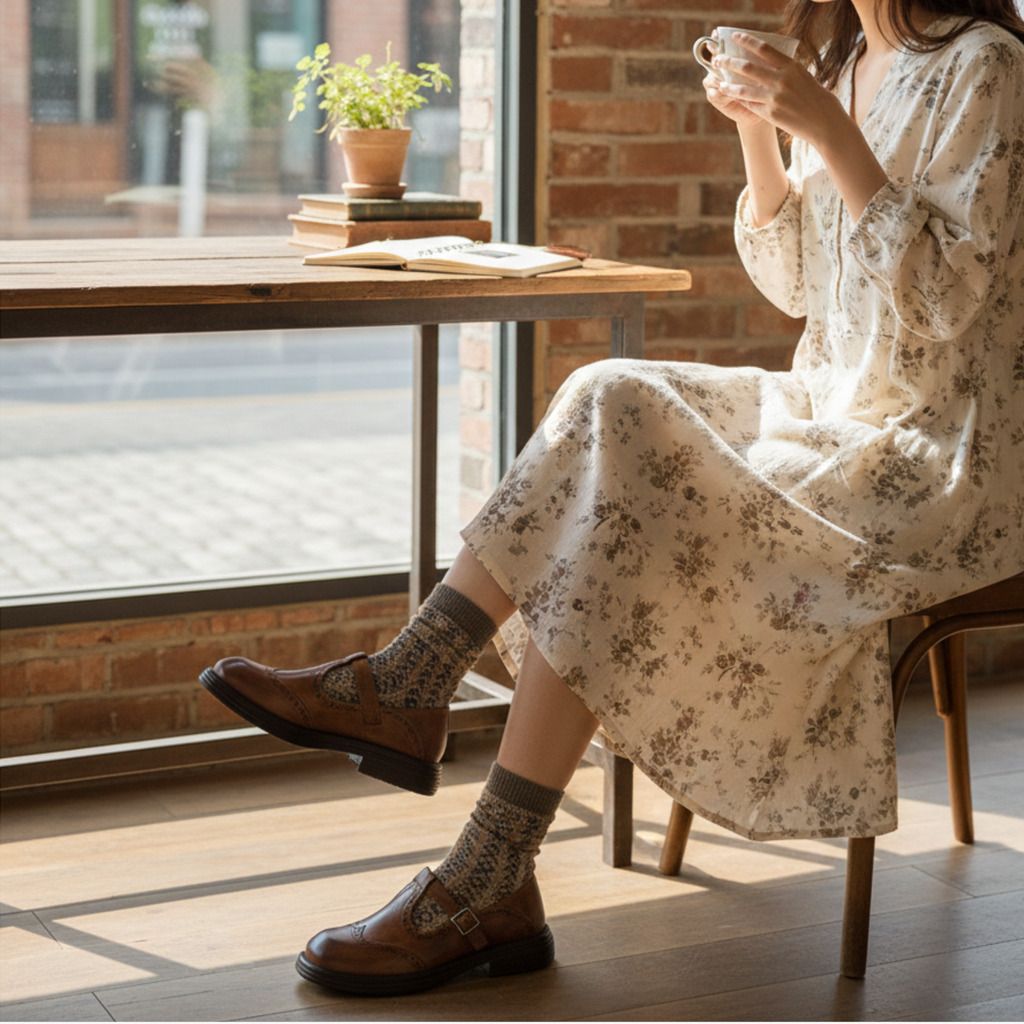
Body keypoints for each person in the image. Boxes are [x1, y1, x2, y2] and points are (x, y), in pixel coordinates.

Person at [200, 0, 1024, 996]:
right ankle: (433, 730)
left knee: (624, 456)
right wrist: (760, 136)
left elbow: (942, 300)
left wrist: (826, 131)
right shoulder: (844, 61)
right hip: (827, 407)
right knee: (607, 397)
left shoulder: (988, 67)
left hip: (934, 456)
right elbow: (798, 287)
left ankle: (463, 817)